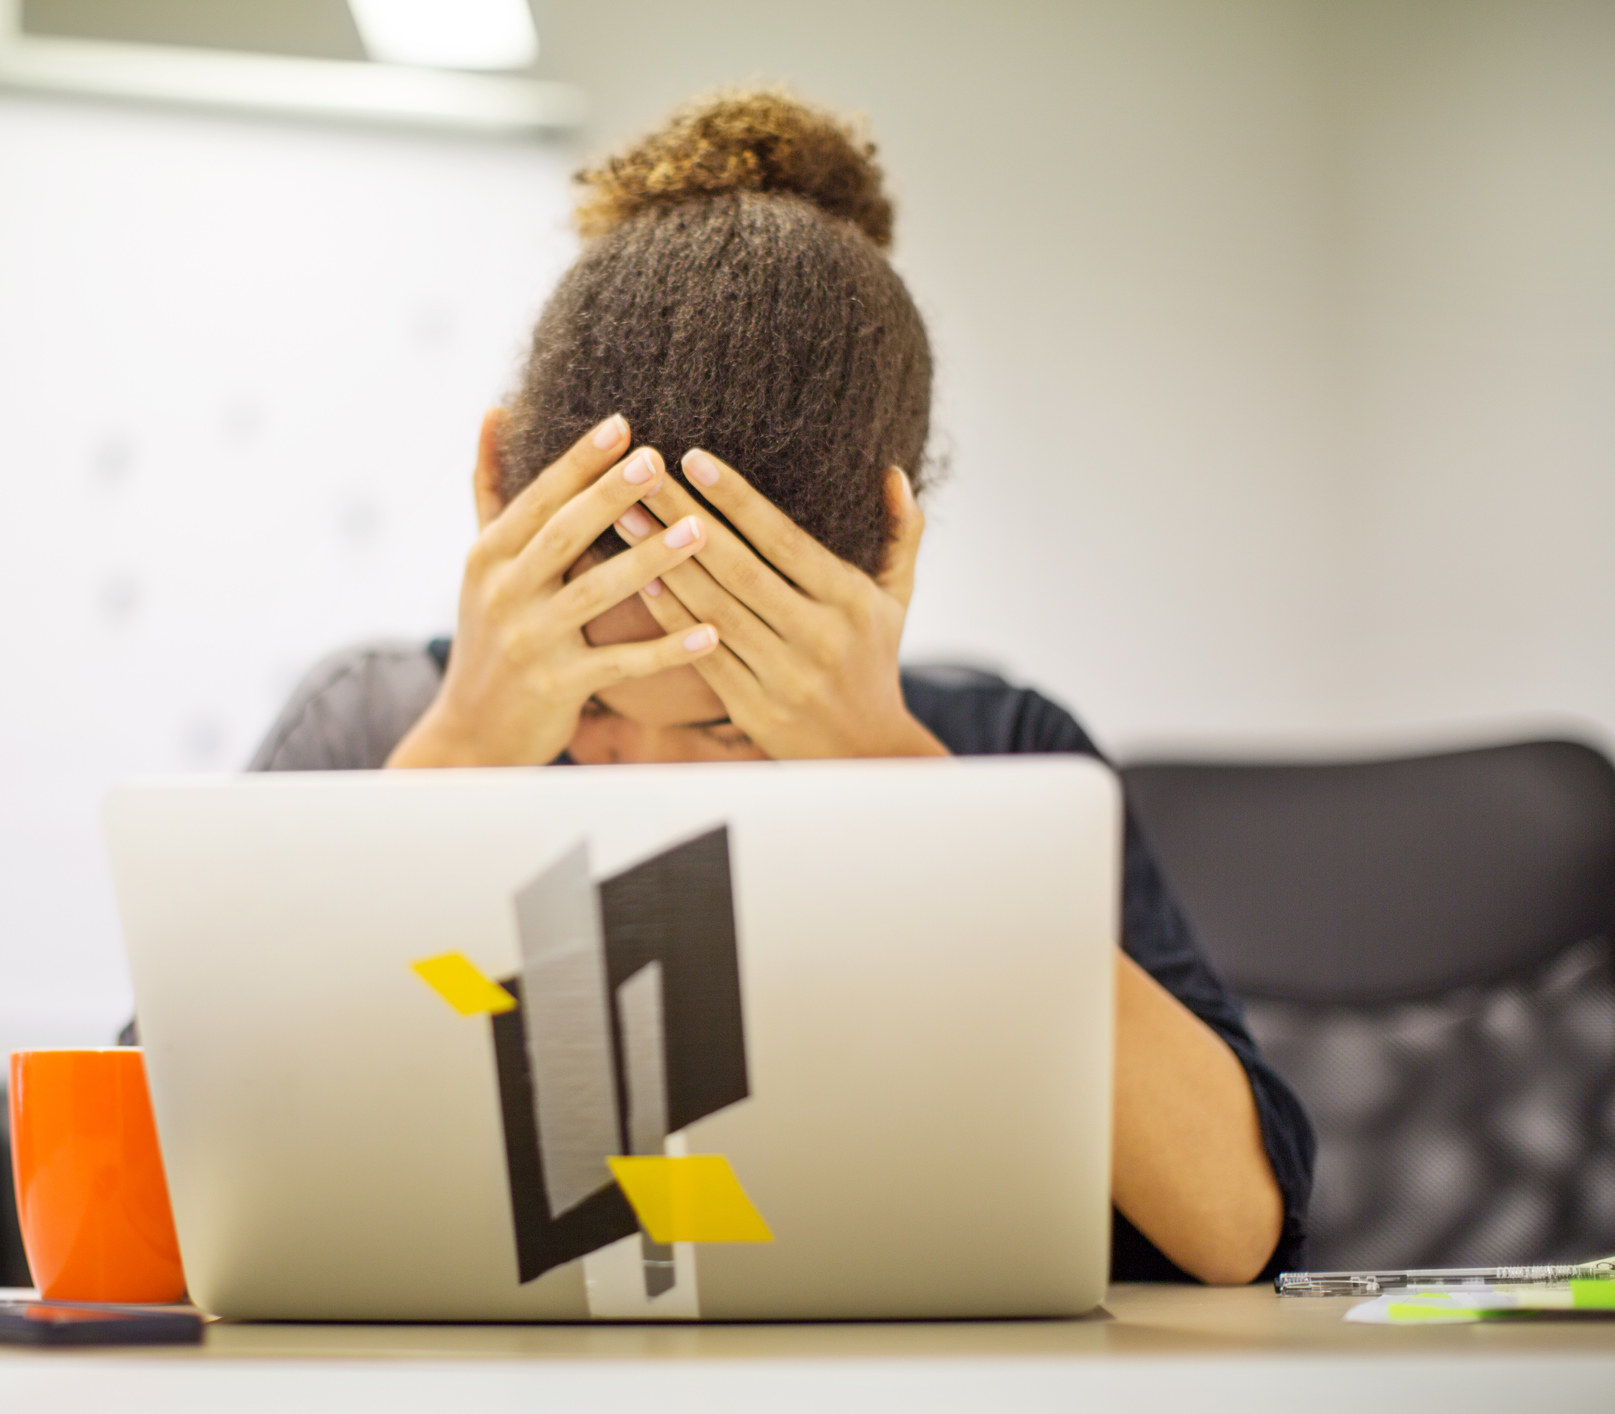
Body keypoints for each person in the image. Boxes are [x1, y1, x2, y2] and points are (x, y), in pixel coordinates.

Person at [240, 90, 1313, 1285]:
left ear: (885, 569)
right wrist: (465, 749)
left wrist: (897, 781)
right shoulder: (373, 728)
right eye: (589, 697)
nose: (640, 773)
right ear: (499, 487)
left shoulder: (996, 754)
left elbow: (1231, 1224)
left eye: (727, 718)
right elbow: (173, 1214)